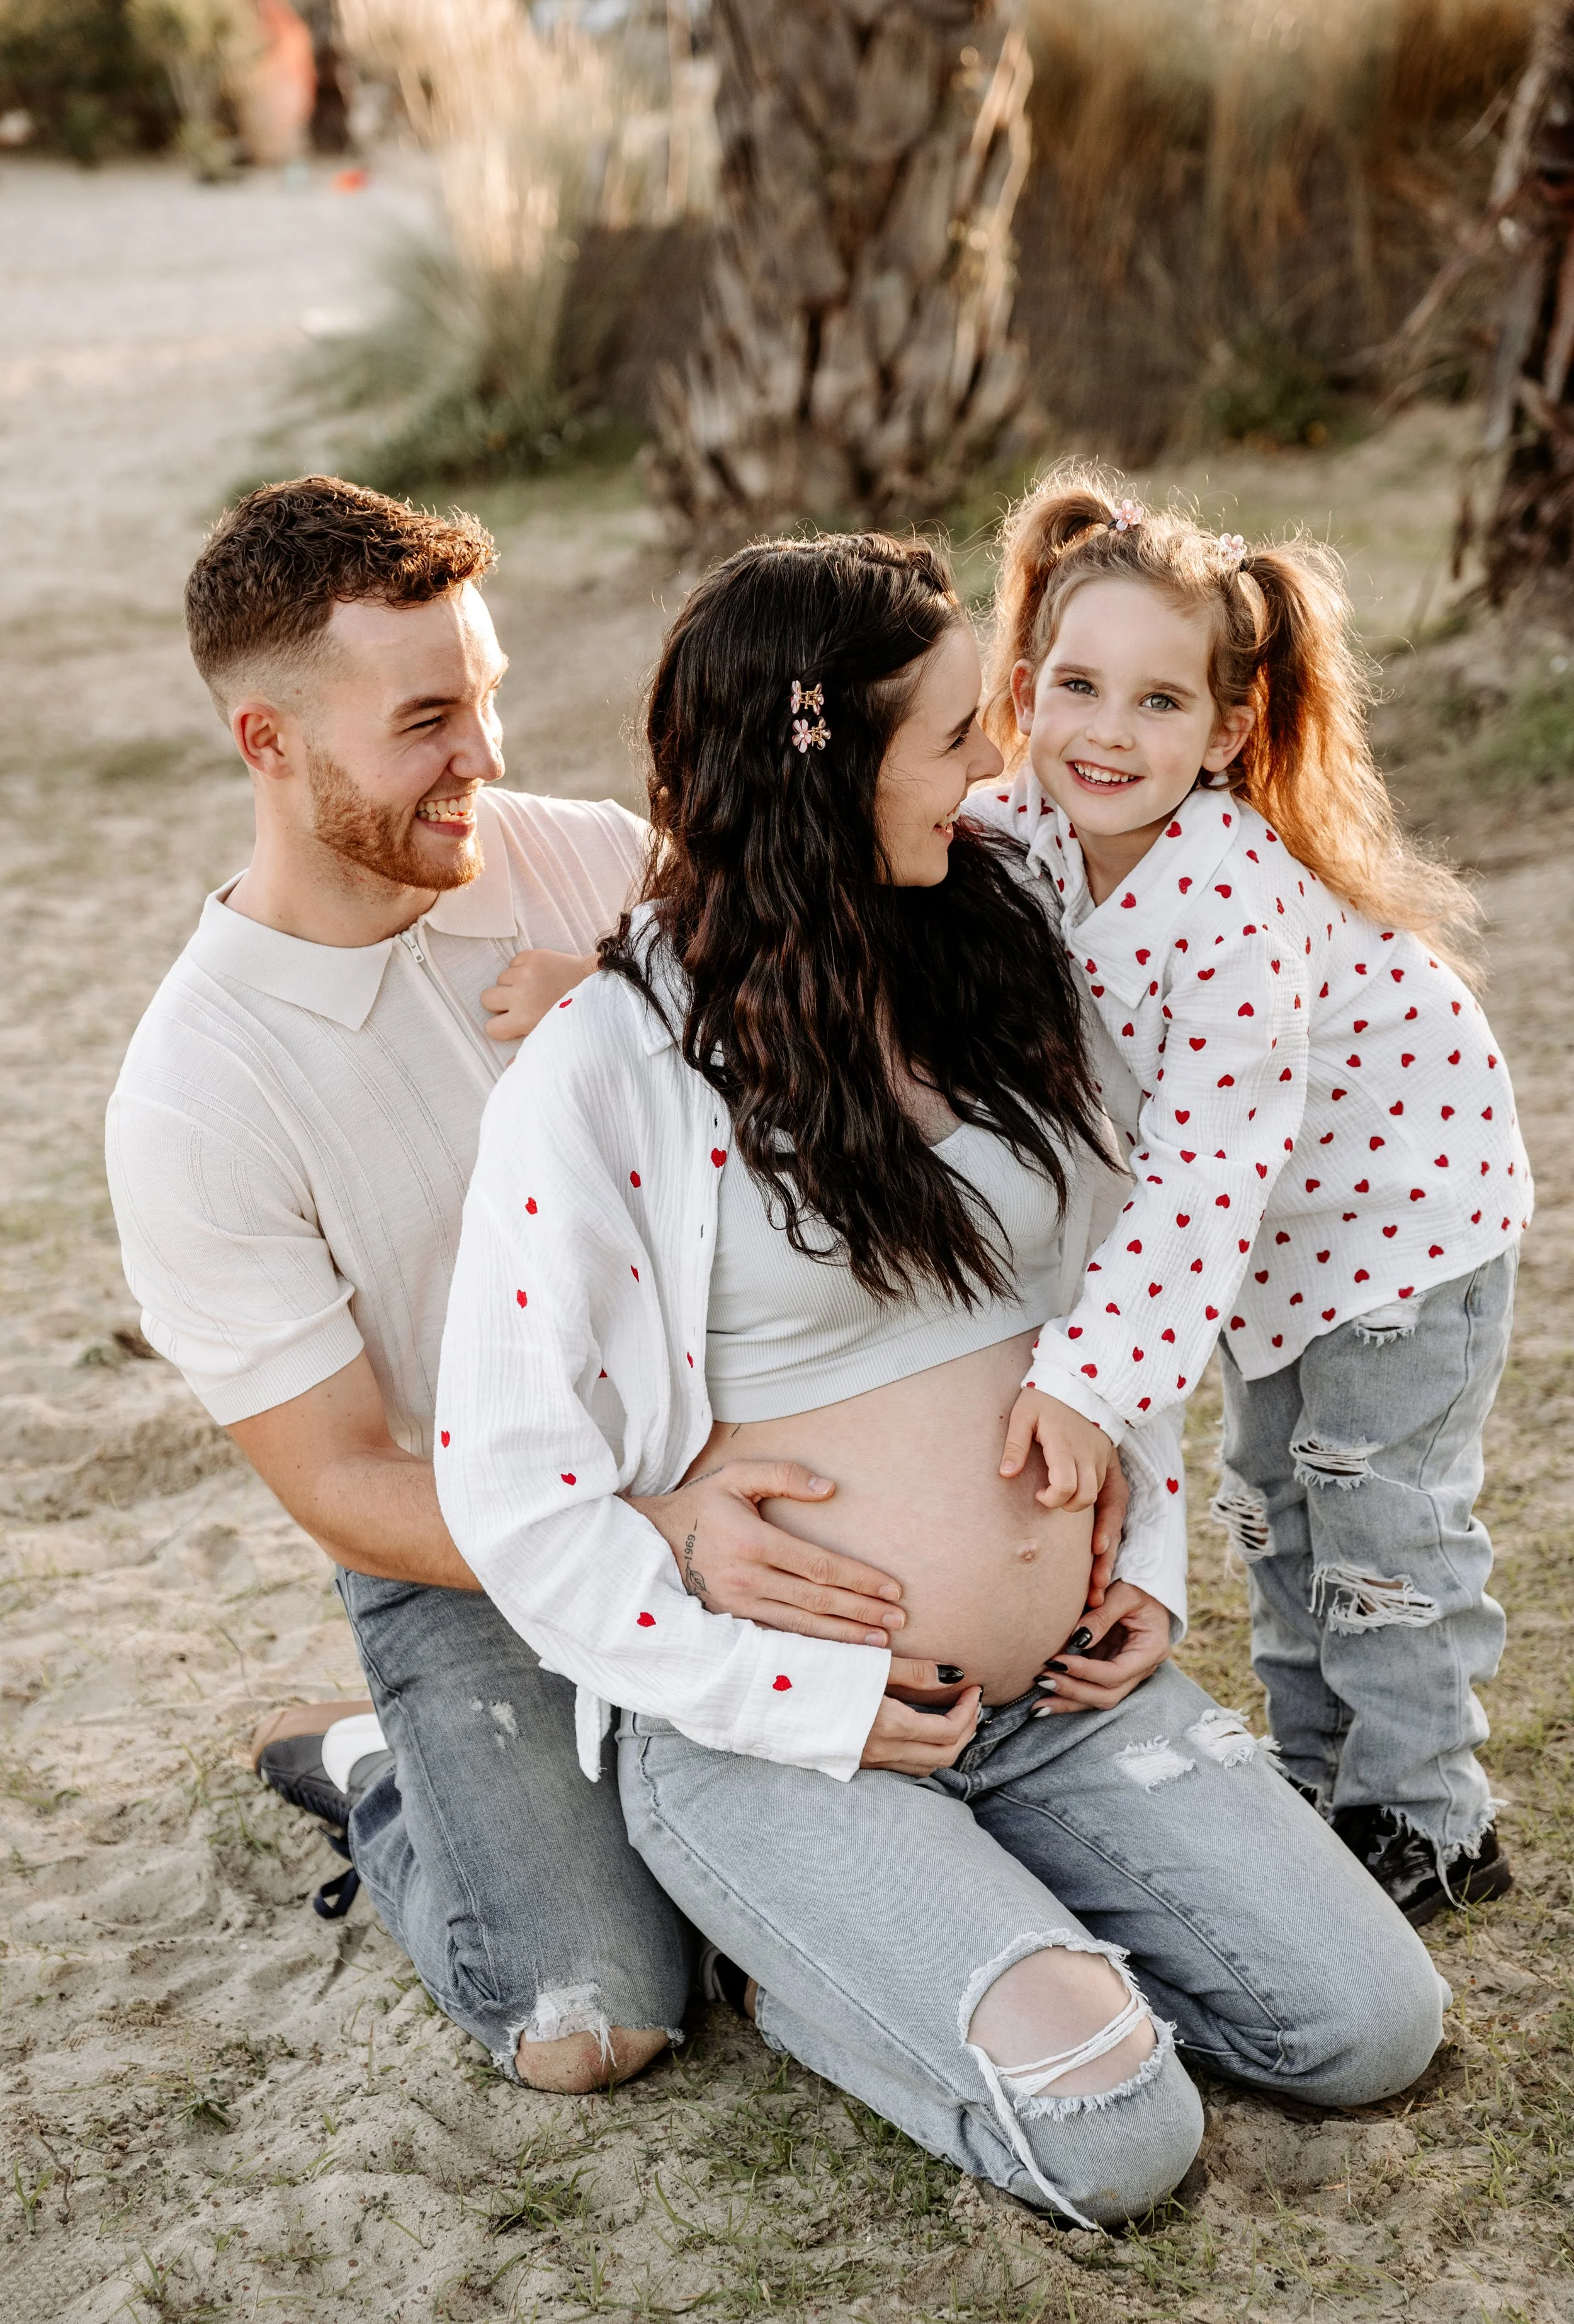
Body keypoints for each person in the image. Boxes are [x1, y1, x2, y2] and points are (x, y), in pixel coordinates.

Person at [434, 531, 1446, 2226]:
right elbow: (510, 1479)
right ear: (815, 769)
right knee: (1116, 2130)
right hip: (780, 1730)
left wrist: (1130, 1563)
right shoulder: (610, 1062)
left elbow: (1126, 1276)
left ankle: (967, 1920)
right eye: (958, 734)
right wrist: (793, 1684)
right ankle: (828, 1961)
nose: (1003, 766)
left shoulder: (999, 942)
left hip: (1053, 1703)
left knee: (1369, 2024)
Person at [106, 476, 924, 2095]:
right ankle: (377, 1772)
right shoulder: (195, 1095)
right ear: (268, 741)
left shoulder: (591, 865)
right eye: (425, 719)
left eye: (481, 694)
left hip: (742, 1456)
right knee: (595, 2020)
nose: (483, 753)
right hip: (468, 1546)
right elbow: (345, 1488)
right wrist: (638, 1535)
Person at [980, 473, 1532, 1926]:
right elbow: (851, 869)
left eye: (1159, 704)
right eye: (1080, 687)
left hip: (1401, 1221)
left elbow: (1203, 1175)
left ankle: (1427, 1816)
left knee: (1375, 1514)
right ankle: (1313, 1777)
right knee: (1269, 1506)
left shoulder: (1226, 898)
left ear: (1228, 731)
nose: (1107, 732)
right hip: (1282, 1244)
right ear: (1026, 689)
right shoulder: (1022, 830)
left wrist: (1094, 1382)